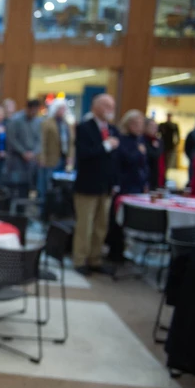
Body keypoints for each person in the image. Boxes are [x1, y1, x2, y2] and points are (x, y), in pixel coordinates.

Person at [72, 94, 120, 276]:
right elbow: (84, 154)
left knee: (101, 226)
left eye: (112, 106)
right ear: (96, 107)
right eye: (107, 106)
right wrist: (105, 146)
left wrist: (115, 182)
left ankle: (95, 259)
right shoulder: (85, 128)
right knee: (85, 225)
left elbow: (115, 160)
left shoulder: (113, 130)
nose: (110, 110)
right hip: (87, 185)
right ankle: (79, 259)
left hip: (106, 186)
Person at [107, 110, 149, 262]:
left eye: (140, 124)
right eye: (135, 124)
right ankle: (115, 251)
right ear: (128, 124)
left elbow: (144, 165)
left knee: (131, 221)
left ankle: (127, 251)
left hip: (138, 184)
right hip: (124, 184)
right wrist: (138, 153)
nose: (138, 127)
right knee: (118, 219)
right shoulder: (121, 139)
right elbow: (124, 161)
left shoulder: (140, 140)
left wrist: (146, 182)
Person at [6, 99, 42, 198]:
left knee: (27, 187)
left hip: (31, 160)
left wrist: (34, 153)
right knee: (15, 186)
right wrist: (23, 152)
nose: (34, 113)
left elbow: (40, 140)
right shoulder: (16, 120)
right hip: (16, 159)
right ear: (27, 109)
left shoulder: (38, 122)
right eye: (32, 110)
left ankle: (23, 209)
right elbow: (12, 139)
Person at [38, 99, 74, 200]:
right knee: (47, 185)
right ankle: (44, 207)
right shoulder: (47, 123)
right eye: (61, 108)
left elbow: (70, 142)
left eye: (64, 108)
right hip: (50, 158)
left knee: (62, 186)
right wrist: (42, 157)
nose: (63, 111)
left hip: (63, 158)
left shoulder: (67, 124)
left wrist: (70, 156)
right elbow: (42, 142)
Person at [143, 118, 163, 190]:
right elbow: (153, 155)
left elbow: (159, 154)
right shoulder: (142, 140)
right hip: (147, 175)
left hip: (157, 175)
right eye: (151, 126)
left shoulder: (159, 141)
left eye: (155, 127)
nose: (154, 129)